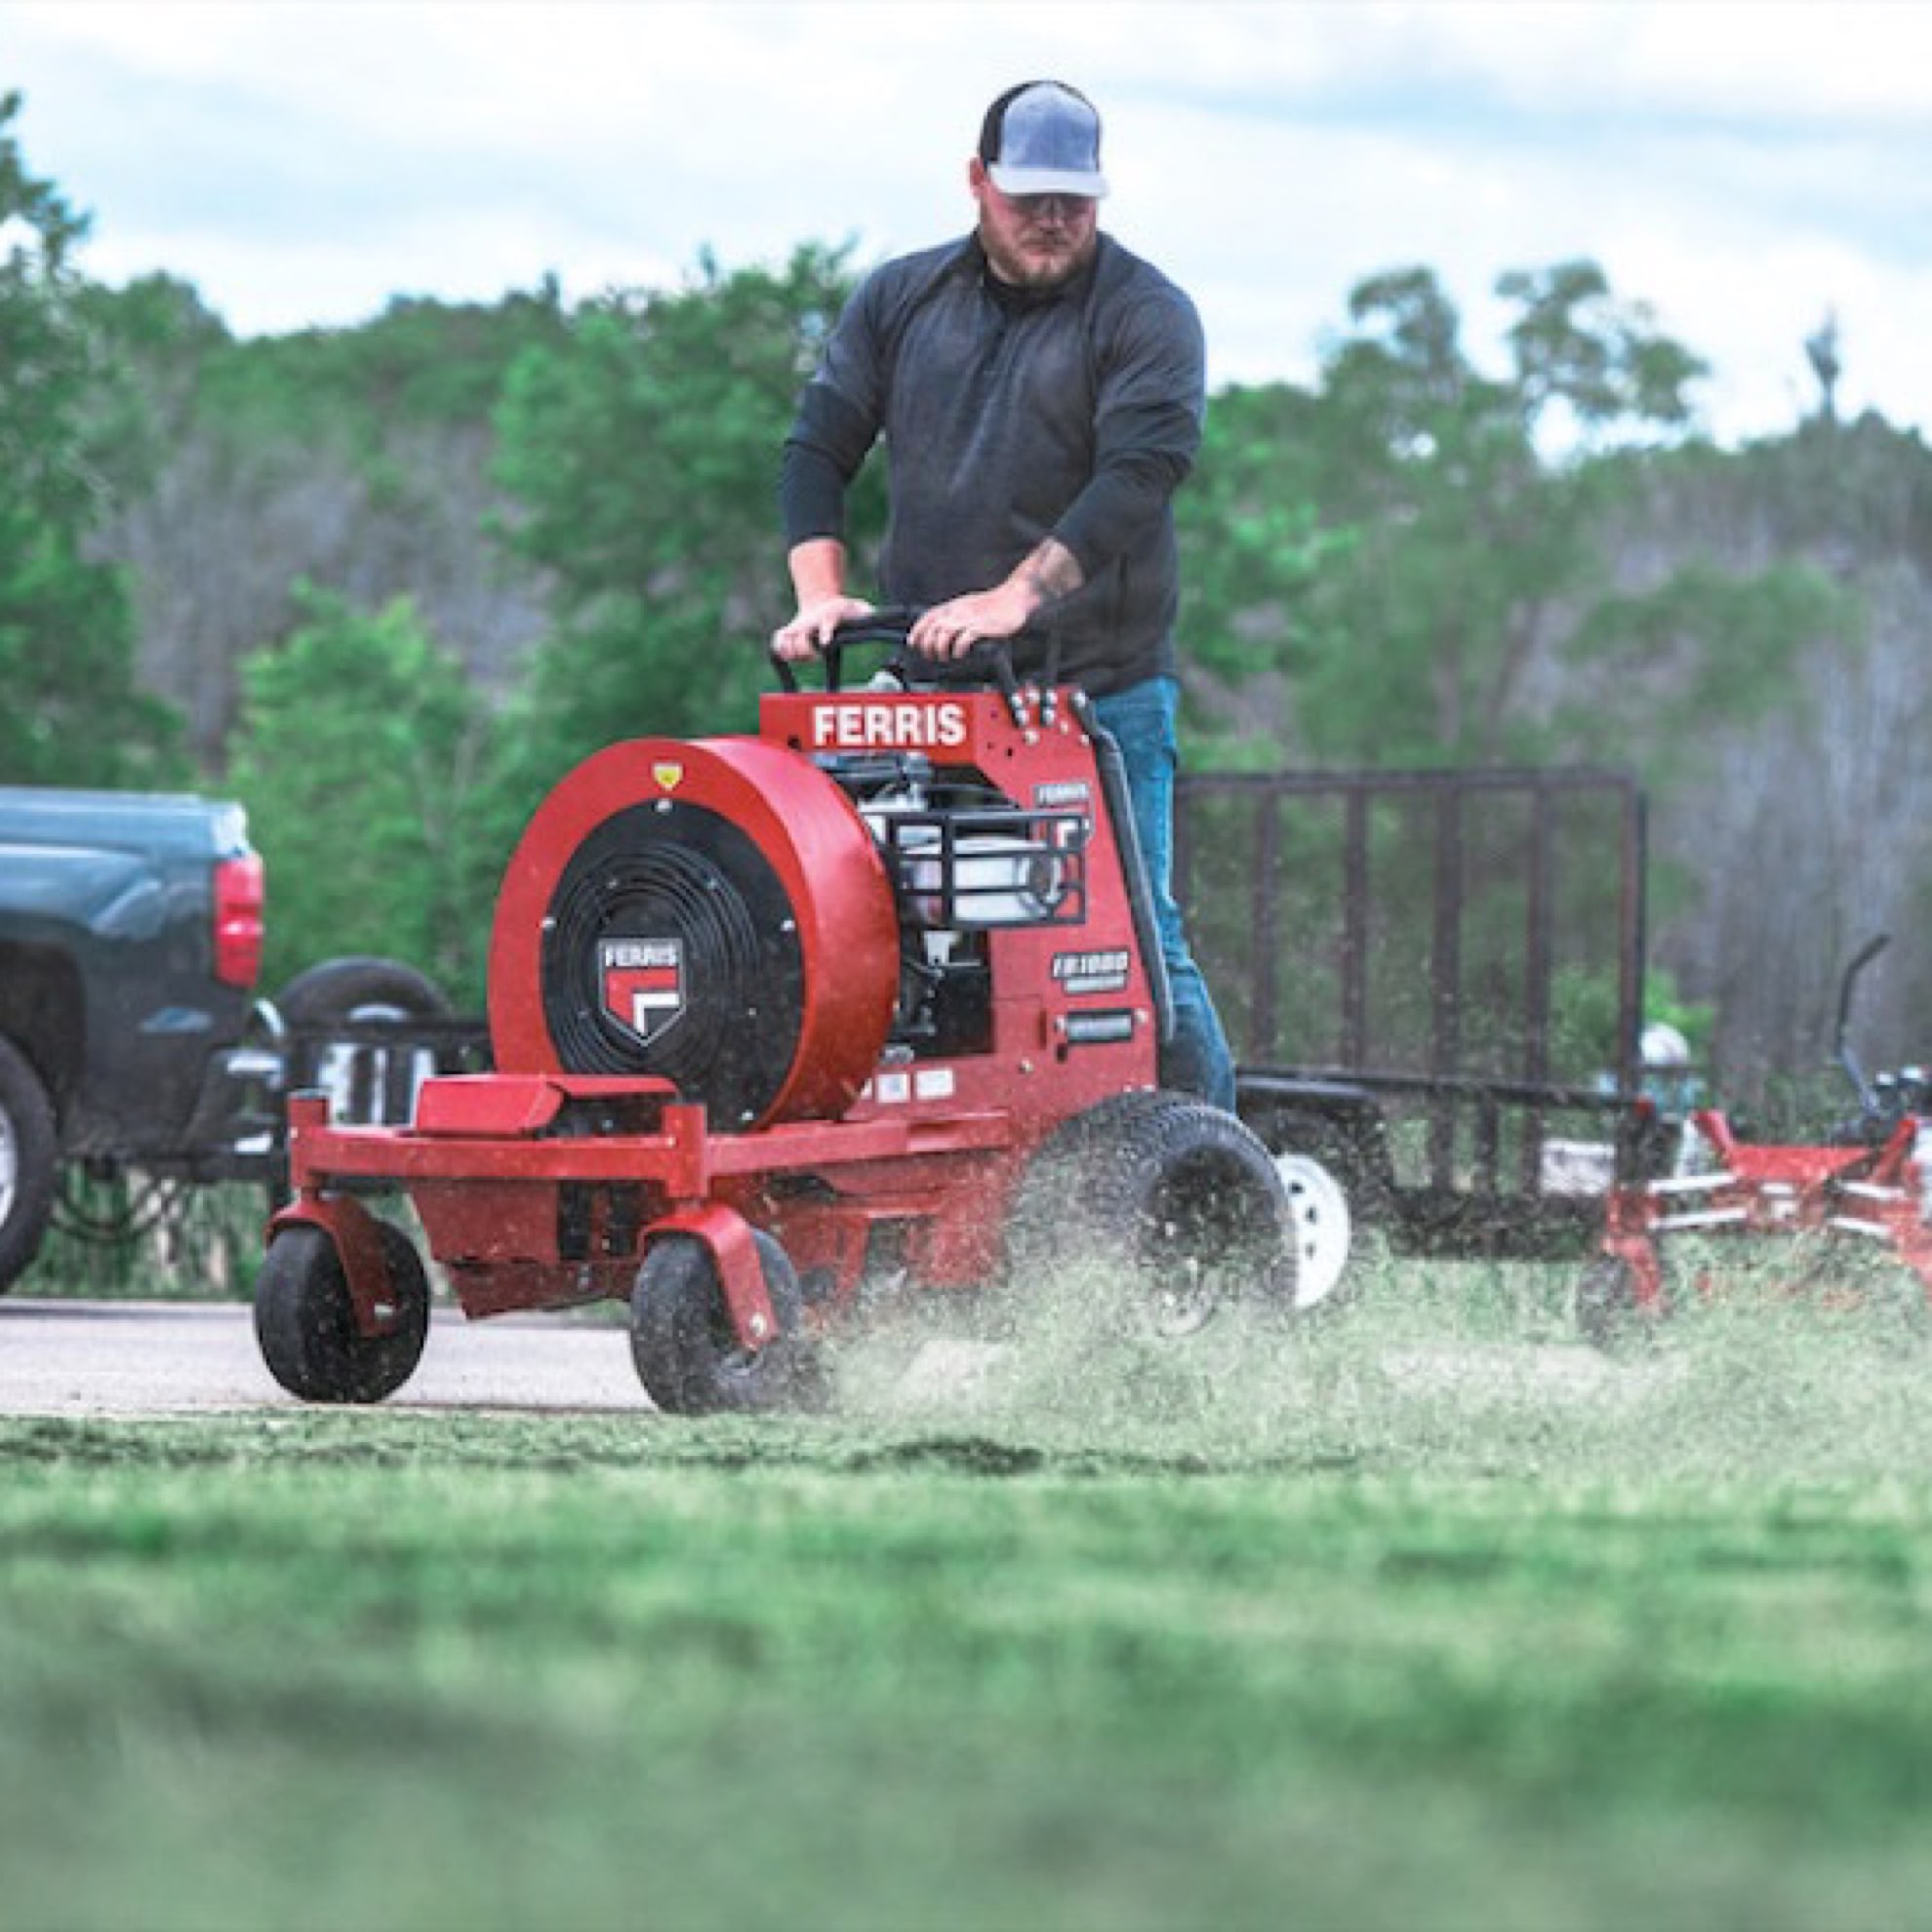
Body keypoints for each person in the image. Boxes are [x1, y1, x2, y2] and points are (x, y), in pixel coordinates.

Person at [771, 78, 1237, 1110]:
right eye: (1031, 199)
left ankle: (1212, 1178)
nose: (1054, 221)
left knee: (1134, 937)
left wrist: (1019, 595)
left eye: (1076, 200)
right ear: (978, 183)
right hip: (937, 686)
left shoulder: (1146, 313)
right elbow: (818, 446)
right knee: (875, 918)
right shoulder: (902, 300)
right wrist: (821, 596)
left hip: (1094, 690)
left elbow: (1140, 474)